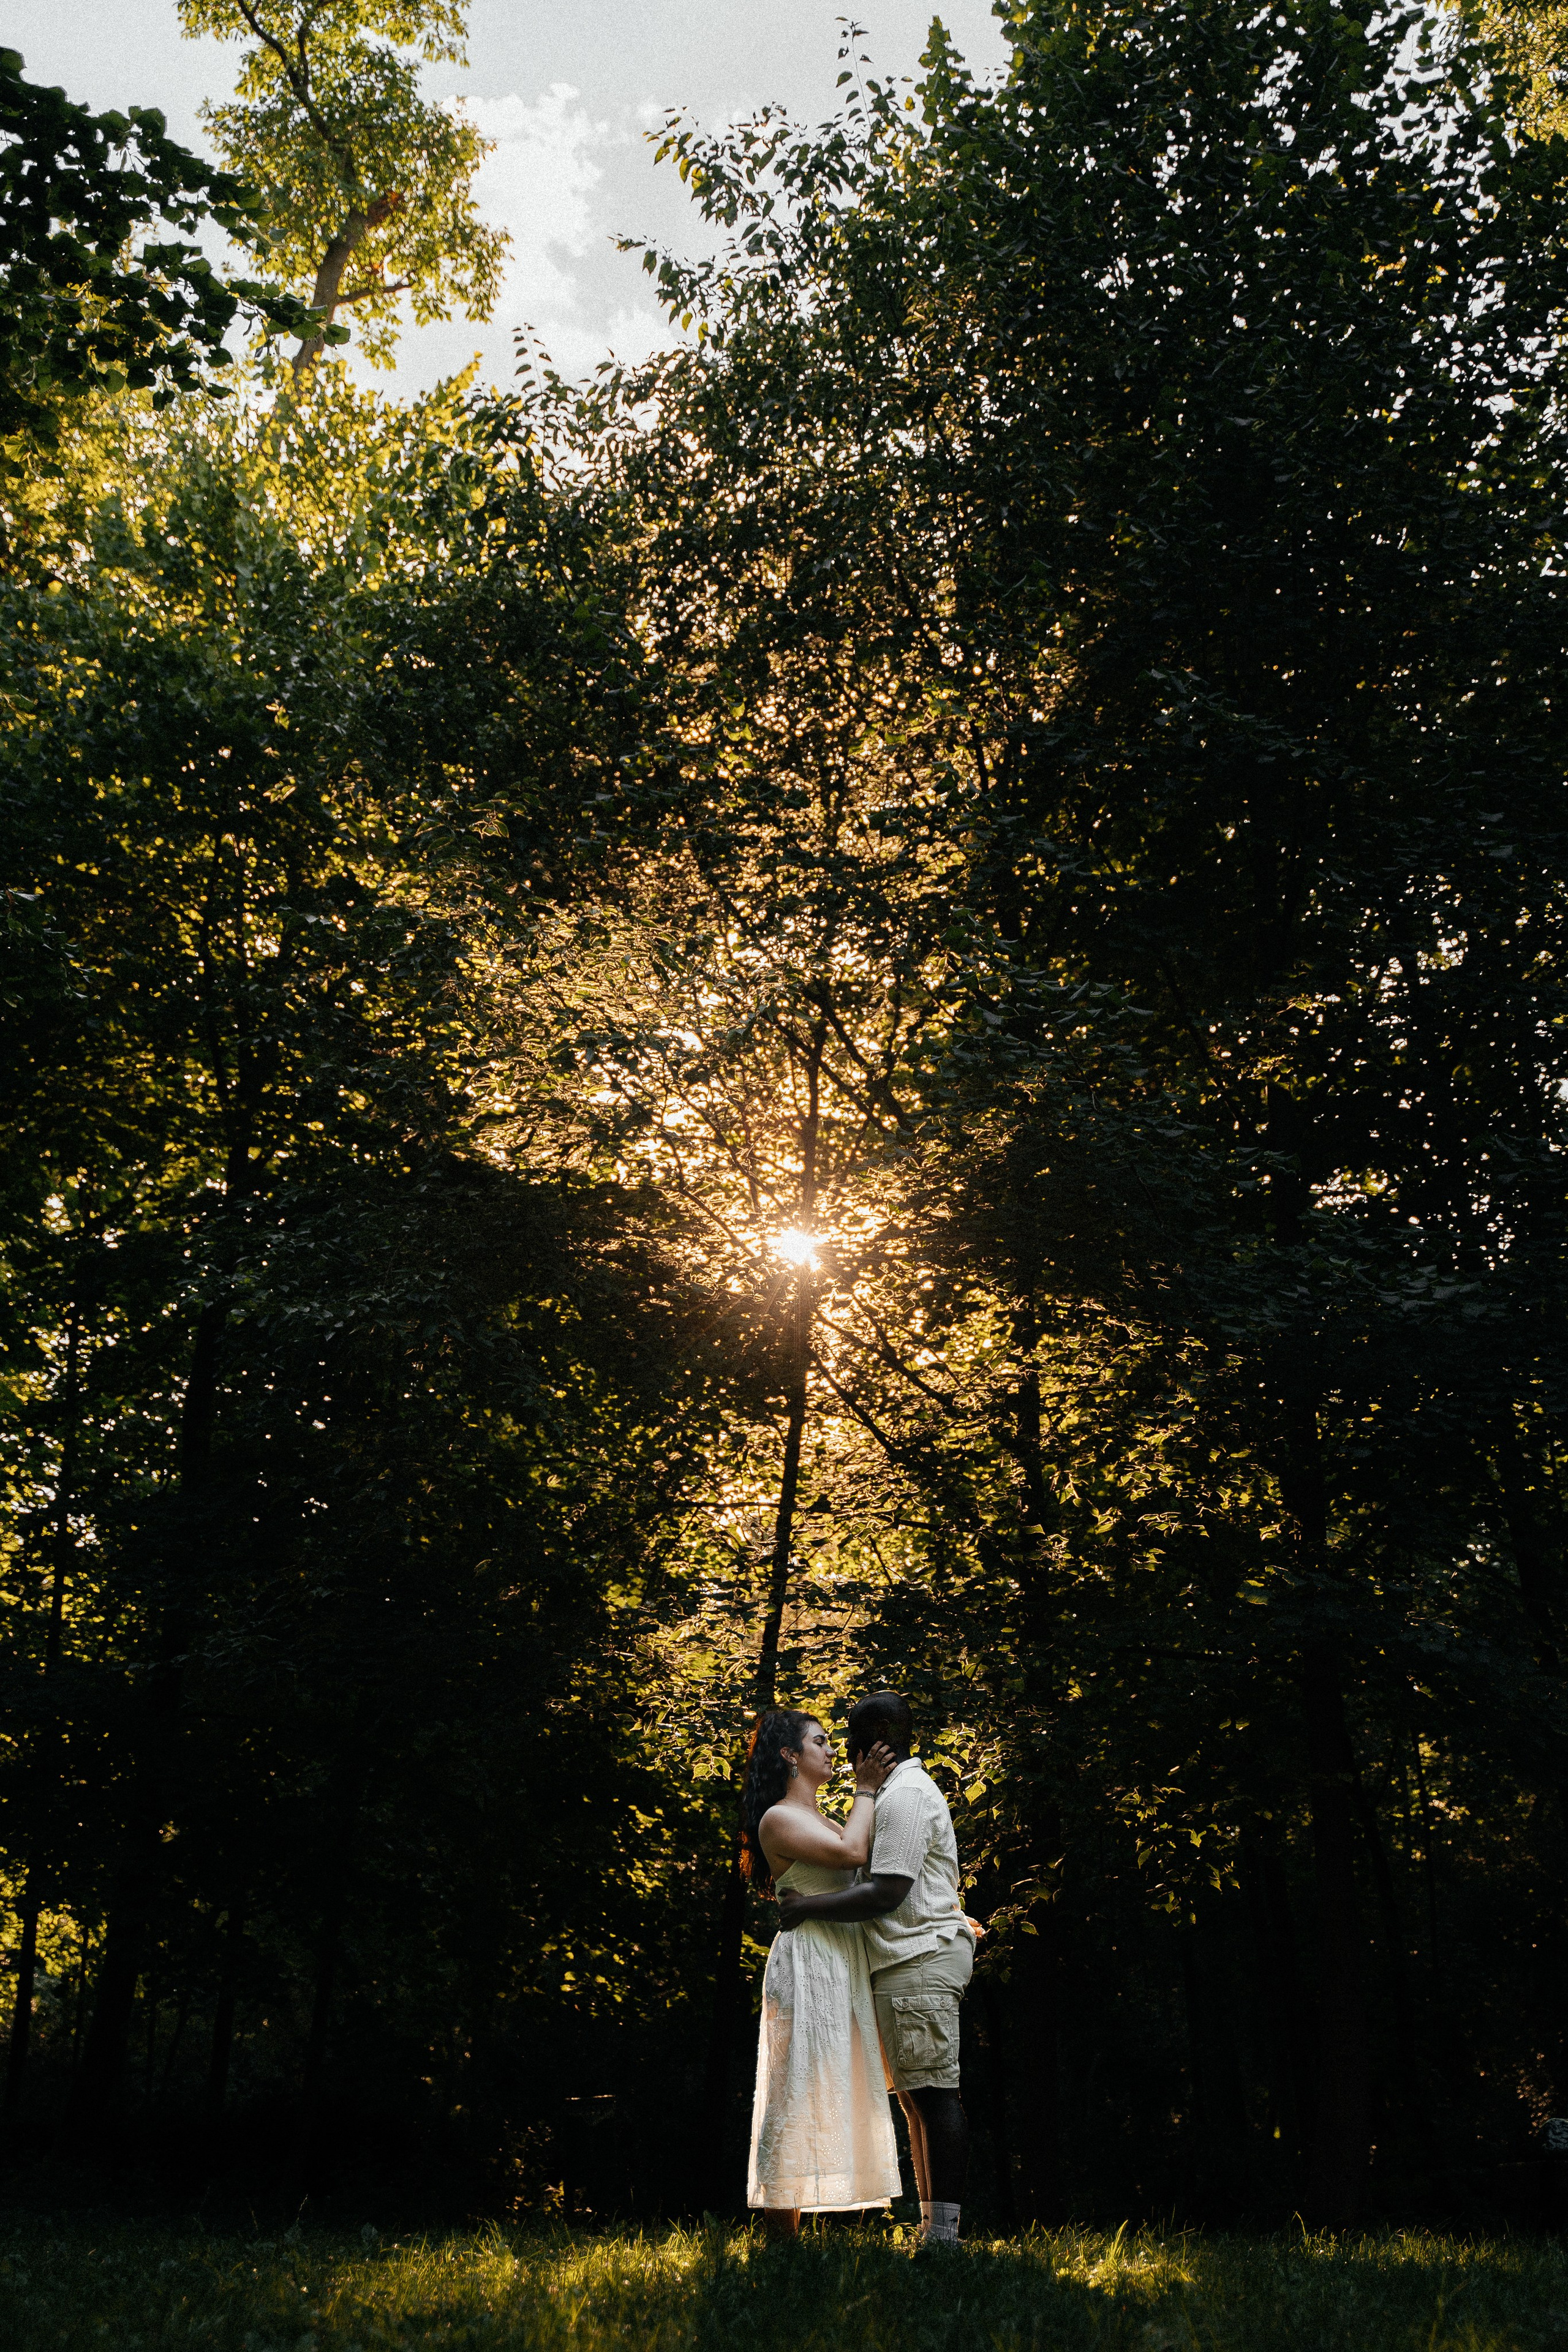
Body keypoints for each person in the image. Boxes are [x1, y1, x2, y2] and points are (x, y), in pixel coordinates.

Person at [777, 1689, 976, 2248]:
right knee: (917, 2096)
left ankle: (943, 2237)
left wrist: (806, 1907)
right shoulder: (894, 1795)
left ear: (873, 1745)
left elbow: (887, 1892)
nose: (844, 1753)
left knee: (935, 2094)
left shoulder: (904, 1796)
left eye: (851, 1741)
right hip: (906, 1960)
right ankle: (934, 2230)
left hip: (917, 1959)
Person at [741, 1708, 902, 2238]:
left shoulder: (827, 1819)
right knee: (795, 2086)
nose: (832, 1750)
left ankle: (830, 2225)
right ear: (790, 1754)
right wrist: (867, 1788)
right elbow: (854, 1853)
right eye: (820, 1741)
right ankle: (779, 2242)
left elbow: (874, 1878)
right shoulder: (778, 1819)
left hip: (842, 1958)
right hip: (806, 1961)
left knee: (838, 2080)